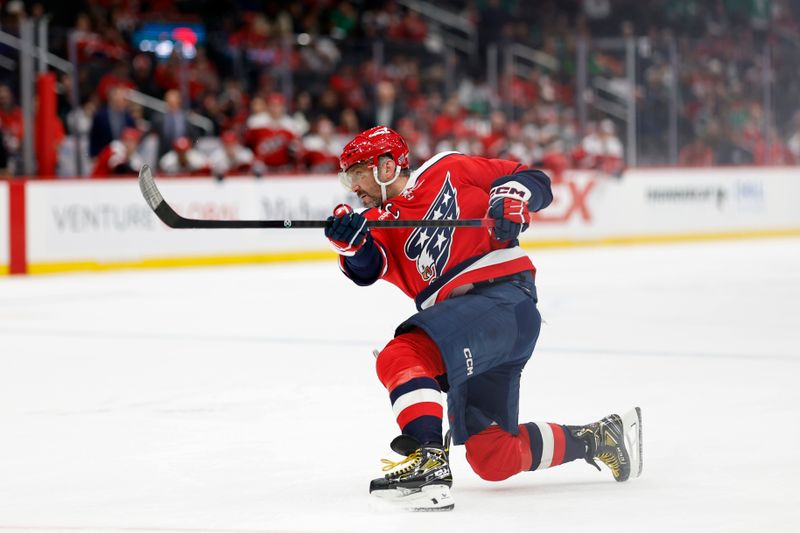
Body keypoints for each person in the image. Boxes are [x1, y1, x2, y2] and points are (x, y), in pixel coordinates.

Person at [325, 126, 642, 511]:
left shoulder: (450, 168)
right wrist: (354, 245)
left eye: (357, 173)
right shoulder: (375, 222)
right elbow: (369, 266)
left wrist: (512, 196)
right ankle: (600, 438)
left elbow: (534, 179)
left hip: (504, 301)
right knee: (493, 457)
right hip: (470, 329)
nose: (352, 186)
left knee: (401, 356)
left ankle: (428, 461)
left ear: (387, 166)